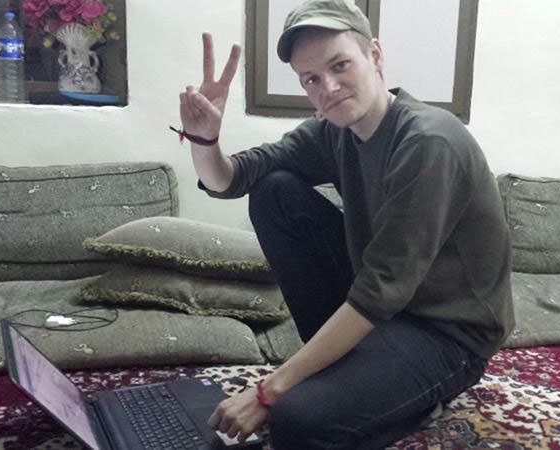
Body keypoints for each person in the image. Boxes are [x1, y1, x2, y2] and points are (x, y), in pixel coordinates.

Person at [178, 1, 514, 448]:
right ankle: (346, 370)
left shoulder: (428, 141)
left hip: (448, 333)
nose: (329, 88)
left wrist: (269, 390)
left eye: (340, 66)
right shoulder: (334, 131)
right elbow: (235, 177)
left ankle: (409, 398)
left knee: (297, 418)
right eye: (311, 79)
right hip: (384, 309)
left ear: (374, 55)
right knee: (275, 191)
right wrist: (204, 139)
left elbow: (380, 290)